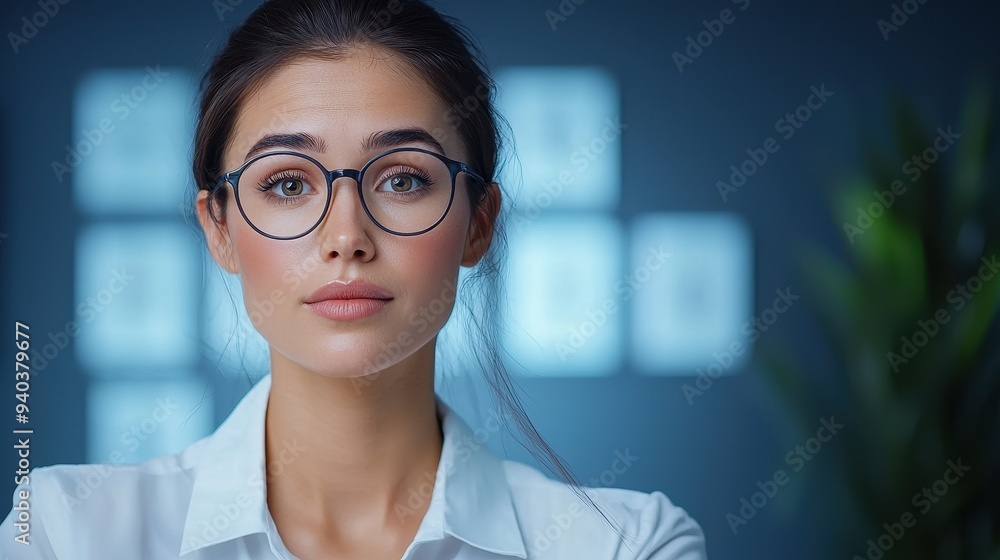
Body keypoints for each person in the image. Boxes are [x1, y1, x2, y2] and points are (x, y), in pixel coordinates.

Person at [1, 0, 706, 558]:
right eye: (285, 184)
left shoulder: (625, 544)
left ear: (479, 224)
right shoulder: (66, 534)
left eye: (403, 178)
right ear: (219, 228)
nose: (346, 238)